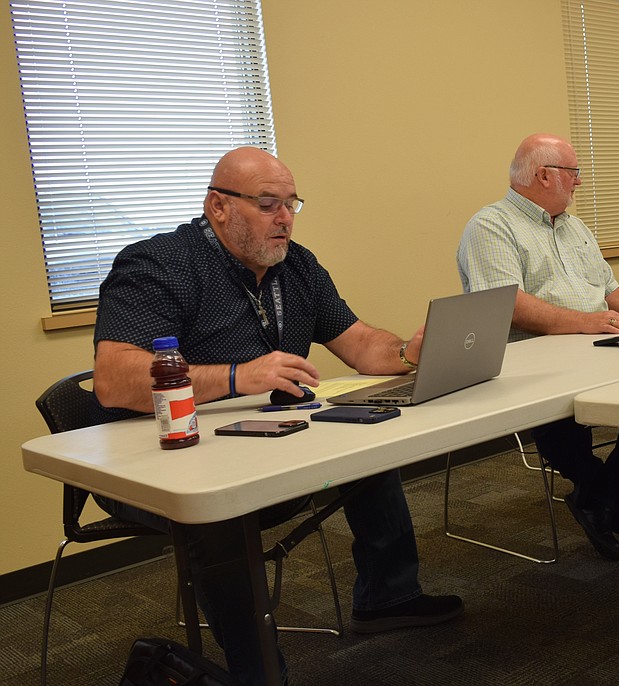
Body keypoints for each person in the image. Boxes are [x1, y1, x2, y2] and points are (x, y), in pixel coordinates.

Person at [92, 147, 462, 686]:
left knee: (369, 426)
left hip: (262, 438)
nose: (285, 218)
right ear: (218, 207)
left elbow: (359, 343)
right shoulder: (157, 264)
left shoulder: (297, 265)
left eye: (291, 203)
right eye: (268, 204)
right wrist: (239, 376)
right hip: (165, 454)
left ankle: (388, 597)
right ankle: (261, 673)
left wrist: (410, 351)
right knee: (221, 514)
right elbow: (113, 378)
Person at [456, 133, 619, 561]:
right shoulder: (490, 226)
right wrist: (585, 324)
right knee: (560, 404)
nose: (579, 182)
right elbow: (509, 305)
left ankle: (603, 496)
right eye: (574, 173)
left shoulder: (575, 227)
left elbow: (607, 289)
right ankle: (601, 493)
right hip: (531, 361)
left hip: (595, 345)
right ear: (544, 175)